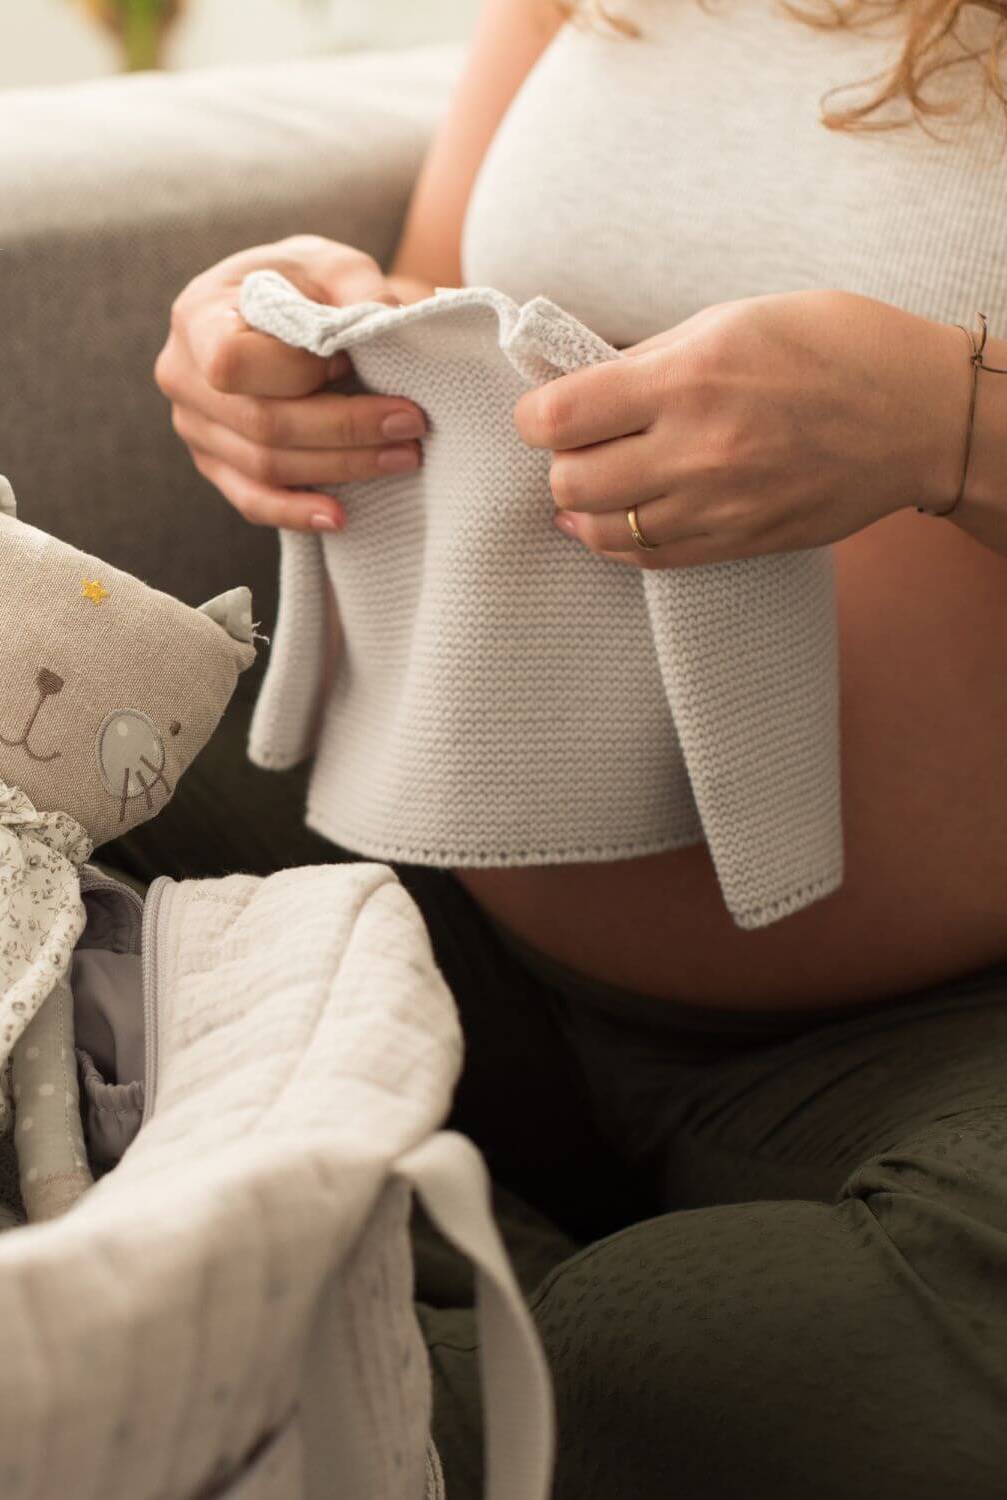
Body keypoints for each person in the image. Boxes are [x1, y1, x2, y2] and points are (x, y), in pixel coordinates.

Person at [147, 0, 1007, 1493]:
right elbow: (436, 300)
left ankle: (376, 1276)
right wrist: (281, 347)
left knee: (859, 1357)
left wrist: (950, 423)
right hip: (423, 886)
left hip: (943, 1038)